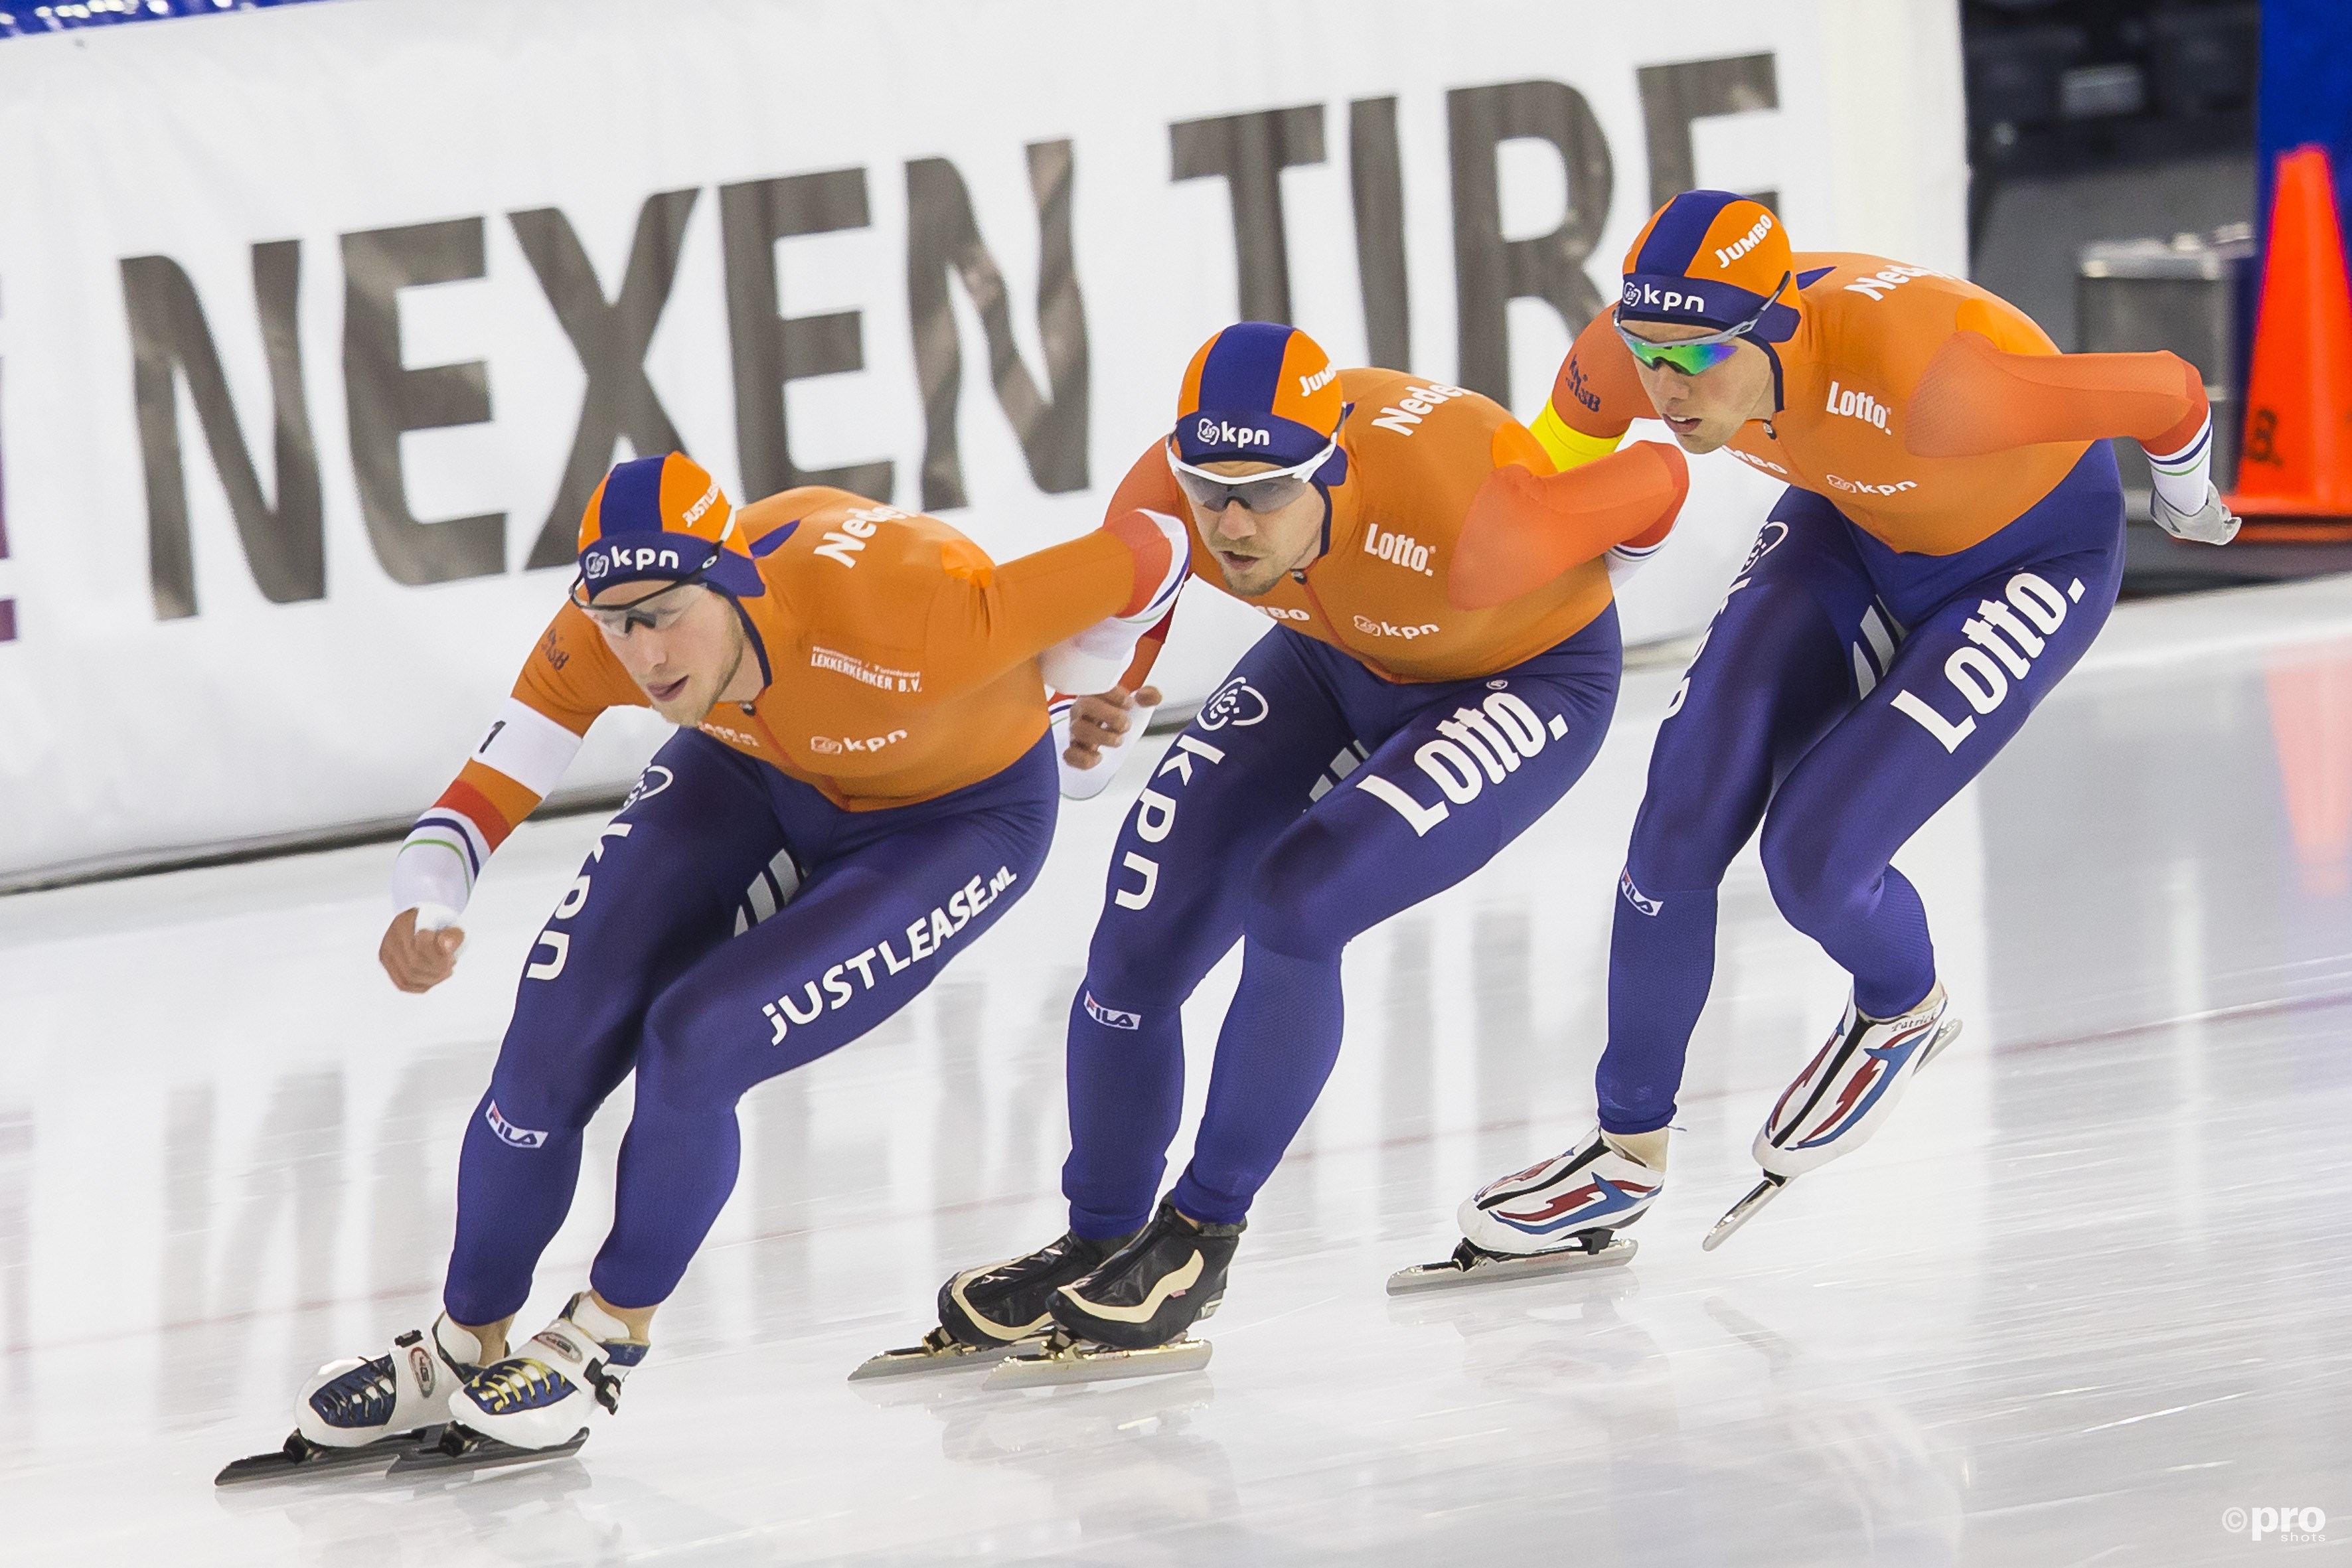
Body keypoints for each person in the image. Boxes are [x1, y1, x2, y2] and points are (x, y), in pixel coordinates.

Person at [270, 451, 1188, 1465]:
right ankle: (462, 1341)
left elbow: (1156, 546)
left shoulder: (918, 614)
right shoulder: (603, 635)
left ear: (734, 579)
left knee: (697, 1039)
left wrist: (1097, 685)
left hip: (953, 820)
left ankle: (604, 1334)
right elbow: (485, 790)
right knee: (552, 1032)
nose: (646, 651)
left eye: (667, 613)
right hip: (753, 767)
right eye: (619, 620)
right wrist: (427, 898)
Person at [868, 320, 1690, 1379]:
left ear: (1335, 472)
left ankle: (1201, 1236)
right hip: (1333, 657)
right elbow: (1132, 597)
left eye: (1265, 495)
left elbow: (1659, 475)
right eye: (1210, 492)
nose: (1234, 525)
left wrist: (1609, 565)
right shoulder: (1172, 503)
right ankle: (1103, 1233)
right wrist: (1104, 690)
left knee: (1302, 899)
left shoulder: (1475, 519)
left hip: (1521, 675)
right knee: (1137, 924)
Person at [1452, 190, 2235, 1259]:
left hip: (2026, 556)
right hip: (1853, 520)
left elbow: (2167, 388)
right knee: (1680, 808)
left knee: (1815, 858)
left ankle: (1900, 1004)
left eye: (1695, 360)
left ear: (1772, 330)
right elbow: (1548, 484)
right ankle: (1624, 1154)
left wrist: (2187, 500)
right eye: (1648, 355)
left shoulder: (1934, 385)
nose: (1666, 389)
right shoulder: (1617, 357)